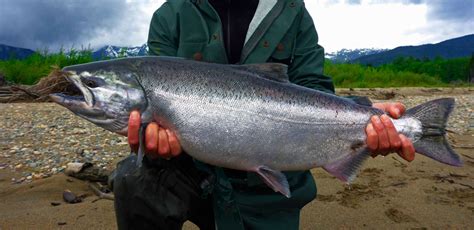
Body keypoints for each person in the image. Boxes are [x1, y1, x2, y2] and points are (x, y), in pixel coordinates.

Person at [110, 0, 415, 229]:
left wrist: (366, 113)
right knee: (133, 181)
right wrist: (156, 140)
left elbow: (313, 88)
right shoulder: (170, 15)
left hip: (268, 188)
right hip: (192, 169)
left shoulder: (292, 11)